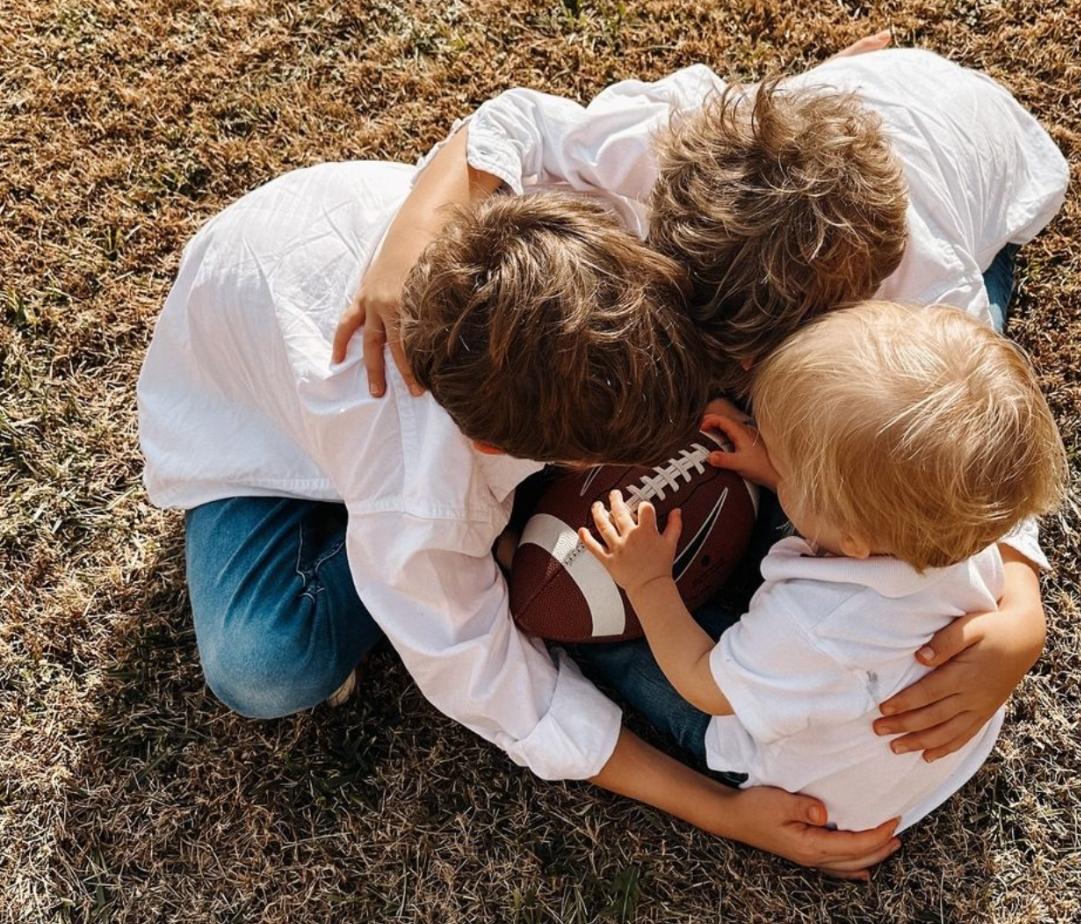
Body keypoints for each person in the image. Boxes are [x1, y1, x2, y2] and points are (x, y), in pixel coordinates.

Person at [138, 164, 900, 877]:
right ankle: (462, 540)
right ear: (494, 447)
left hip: (325, 252)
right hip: (256, 433)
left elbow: (515, 124)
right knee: (265, 666)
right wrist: (724, 811)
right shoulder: (422, 498)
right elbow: (500, 687)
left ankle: (498, 529)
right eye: (597, 458)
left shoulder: (592, 233)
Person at [338, 42, 1068, 765]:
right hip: (852, 125)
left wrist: (1022, 604)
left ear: (855, 308)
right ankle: (836, 89)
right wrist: (414, 231)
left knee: (884, 467)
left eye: (745, 362)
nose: (713, 378)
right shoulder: (662, 140)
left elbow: (974, 433)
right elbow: (515, 121)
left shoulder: (923, 286)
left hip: (975, 187)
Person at [579, 301, 1068, 832]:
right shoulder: (962, 526)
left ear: (853, 538)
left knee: (622, 647)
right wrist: (781, 473)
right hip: (922, 761)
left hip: (809, 789)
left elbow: (706, 687)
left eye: (788, 465)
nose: (773, 455)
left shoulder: (812, 625)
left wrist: (648, 582)